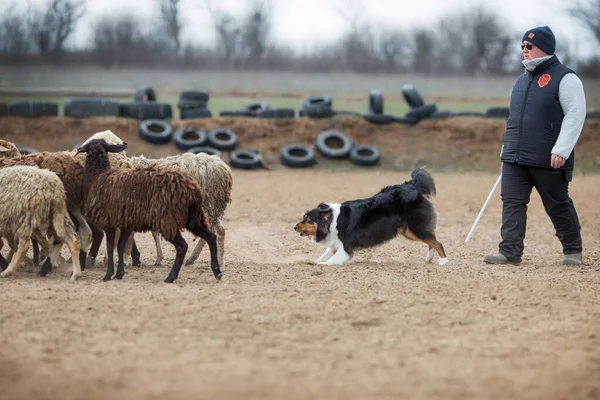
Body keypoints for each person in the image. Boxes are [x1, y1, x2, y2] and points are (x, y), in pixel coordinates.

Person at [484, 26, 586, 266]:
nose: (524, 51)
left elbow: (575, 114)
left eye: (529, 46)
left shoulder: (566, 78)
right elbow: (514, 119)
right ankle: (509, 252)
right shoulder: (521, 80)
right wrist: (506, 150)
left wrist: (561, 149)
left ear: (545, 48)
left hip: (548, 156)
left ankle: (573, 250)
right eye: (522, 47)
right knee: (511, 202)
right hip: (514, 156)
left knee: (557, 203)